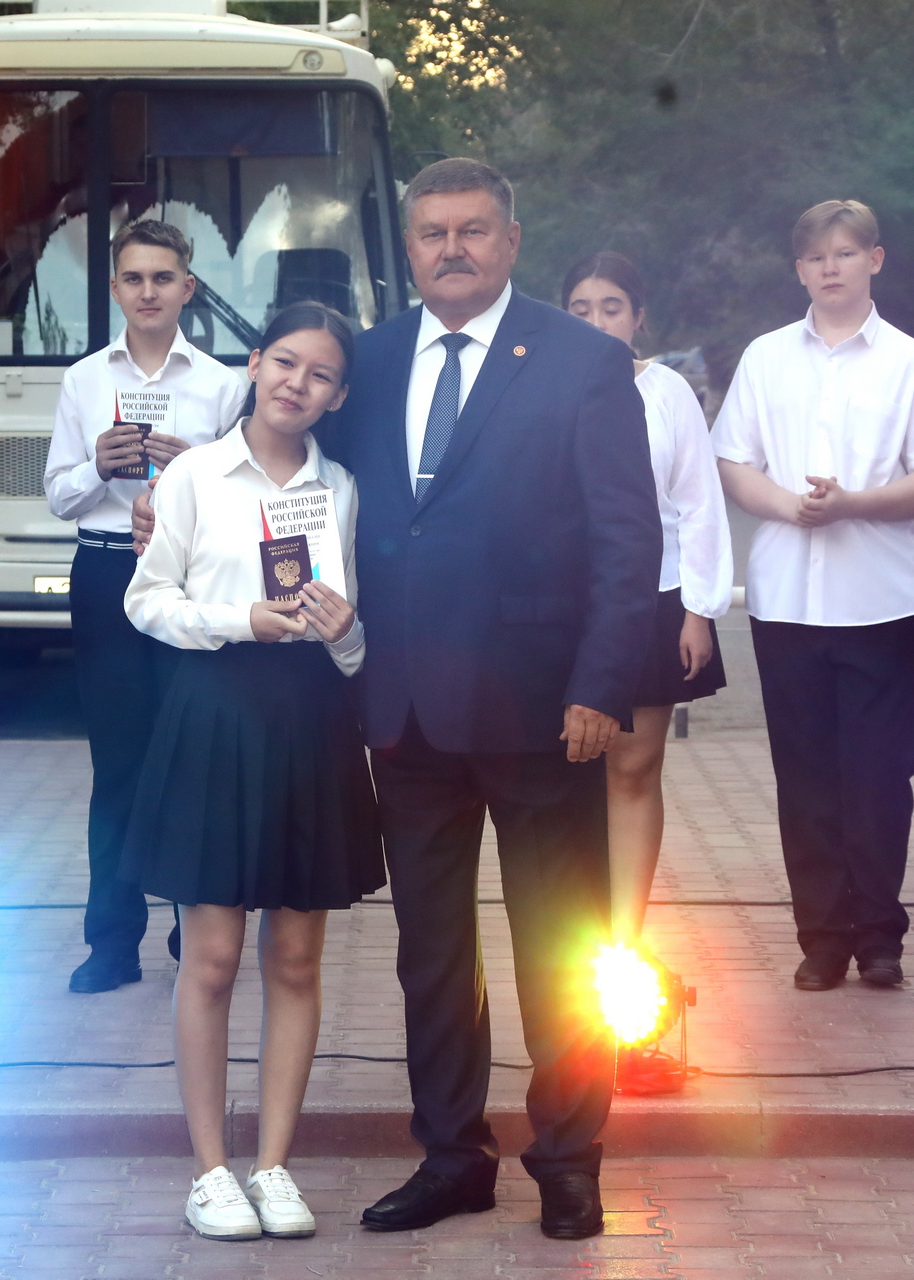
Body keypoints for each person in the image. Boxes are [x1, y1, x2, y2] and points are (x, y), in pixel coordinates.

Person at [324, 158, 658, 1242]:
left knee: (560, 943)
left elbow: (627, 539)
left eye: (472, 230)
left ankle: (568, 1157)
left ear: (511, 241)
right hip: (406, 711)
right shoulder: (368, 360)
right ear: (409, 247)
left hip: (543, 711)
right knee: (431, 952)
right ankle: (452, 1154)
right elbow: (293, 476)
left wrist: (603, 683)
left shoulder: (585, 361)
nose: (452, 248)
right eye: (432, 233)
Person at [123, 301, 384, 1242]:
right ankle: (210, 1171)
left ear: (338, 396)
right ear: (255, 363)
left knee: (297, 957)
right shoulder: (196, 474)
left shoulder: (343, 489)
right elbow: (147, 599)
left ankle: (274, 1164)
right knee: (212, 956)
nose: (296, 384)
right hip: (216, 712)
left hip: (312, 722)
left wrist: (343, 632)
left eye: (320, 375)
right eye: (285, 363)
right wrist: (241, 621)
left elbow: (358, 648)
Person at [712, 199, 914, 993]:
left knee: (881, 777)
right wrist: (790, 507)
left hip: (881, 602)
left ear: (875, 260)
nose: (831, 267)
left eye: (846, 252)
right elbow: (733, 460)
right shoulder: (765, 359)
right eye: (817, 256)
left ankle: (880, 936)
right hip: (787, 601)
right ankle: (821, 937)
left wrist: (854, 504)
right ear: (799, 270)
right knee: (806, 780)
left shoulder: (913, 364)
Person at [45, 219, 248, 994]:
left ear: (188, 287)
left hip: (191, 579)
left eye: (163, 277)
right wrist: (96, 466)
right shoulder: (84, 379)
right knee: (118, 765)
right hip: (106, 573)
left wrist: (195, 474)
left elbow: (243, 500)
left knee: (193, 758)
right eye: (134, 278)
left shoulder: (223, 384)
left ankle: (193, 928)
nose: (149, 291)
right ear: (114, 289)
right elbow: (58, 495)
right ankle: (111, 940)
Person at [562, 251, 731, 947]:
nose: (597, 322)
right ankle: (570, 936)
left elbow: (699, 502)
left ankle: (623, 941)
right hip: (560, 607)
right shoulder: (544, 388)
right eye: (580, 310)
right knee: (566, 776)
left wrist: (699, 610)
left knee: (633, 768)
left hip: (654, 599)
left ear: (638, 318)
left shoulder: (667, 393)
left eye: (611, 308)